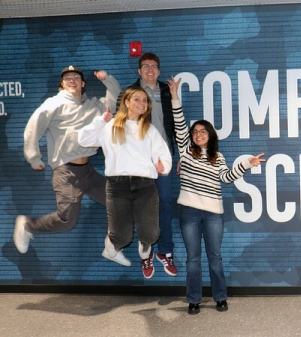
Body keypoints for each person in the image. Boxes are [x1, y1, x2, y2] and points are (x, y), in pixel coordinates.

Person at [168, 77, 265, 315]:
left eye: (203, 131)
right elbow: (179, 123)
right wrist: (174, 96)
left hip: (213, 214)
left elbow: (226, 177)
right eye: (195, 132)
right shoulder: (185, 151)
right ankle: (194, 300)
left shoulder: (218, 157)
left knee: (215, 257)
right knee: (193, 259)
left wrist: (246, 165)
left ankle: (220, 297)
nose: (198, 134)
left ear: (210, 135)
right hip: (189, 212)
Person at [14, 66, 120, 254]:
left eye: (76, 78)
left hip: (88, 171)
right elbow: (33, 127)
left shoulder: (94, 105)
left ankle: (112, 246)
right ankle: (28, 226)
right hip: (66, 173)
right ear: (62, 84)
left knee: (119, 202)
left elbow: (115, 100)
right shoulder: (53, 104)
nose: (72, 80)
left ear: (83, 83)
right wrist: (33, 157)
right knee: (67, 221)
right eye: (67, 78)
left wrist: (108, 79)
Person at [78, 87, 172, 278]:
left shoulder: (150, 130)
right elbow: (83, 140)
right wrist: (99, 121)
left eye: (145, 100)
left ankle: (145, 251)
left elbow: (163, 155)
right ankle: (110, 248)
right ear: (127, 103)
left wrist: (163, 166)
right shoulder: (110, 126)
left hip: (145, 186)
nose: (142, 103)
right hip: (117, 186)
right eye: (137, 99)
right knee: (122, 237)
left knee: (152, 234)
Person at [122, 52, 178, 276]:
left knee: (165, 205)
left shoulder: (167, 90)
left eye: (154, 66)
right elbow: (122, 127)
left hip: (164, 159)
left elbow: (177, 123)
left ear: (159, 70)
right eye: (145, 66)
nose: (150, 70)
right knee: (143, 207)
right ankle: (146, 255)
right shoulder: (129, 93)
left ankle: (165, 251)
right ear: (139, 71)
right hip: (140, 161)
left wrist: (179, 155)